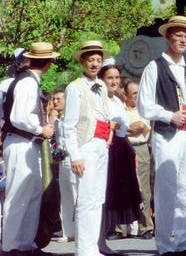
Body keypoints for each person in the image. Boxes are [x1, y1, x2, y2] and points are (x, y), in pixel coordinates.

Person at [137, 15, 186, 256]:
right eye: (177, 34)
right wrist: (170, 115)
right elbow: (144, 105)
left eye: (185, 35)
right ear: (167, 37)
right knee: (167, 188)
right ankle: (165, 245)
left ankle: (183, 242)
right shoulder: (154, 67)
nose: (182, 39)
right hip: (167, 134)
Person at [2, 42, 59, 255]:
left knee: (32, 193)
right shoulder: (27, 83)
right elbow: (19, 117)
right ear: (49, 63)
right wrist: (40, 128)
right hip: (20, 141)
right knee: (18, 194)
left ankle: (25, 245)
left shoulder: (30, 81)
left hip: (28, 143)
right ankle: (11, 246)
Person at [63, 40, 112, 256]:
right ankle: (83, 250)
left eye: (98, 60)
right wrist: (75, 155)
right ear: (83, 61)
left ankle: (93, 247)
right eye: (90, 60)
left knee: (97, 198)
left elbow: (105, 114)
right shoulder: (75, 87)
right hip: (86, 145)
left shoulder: (101, 86)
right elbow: (69, 125)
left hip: (102, 145)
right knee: (84, 199)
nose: (94, 64)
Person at [97, 59, 141, 252]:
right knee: (103, 196)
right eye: (110, 77)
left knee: (114, 197)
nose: (114, 81)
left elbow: (124, 129)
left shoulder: (117, 100)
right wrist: (109, 126)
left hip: (120, 149)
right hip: (107, 149)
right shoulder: (99, 98)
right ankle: (97, 241)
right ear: (102, 79)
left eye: (116, 77)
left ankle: (102, 241)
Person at [122, 80, 155, 239]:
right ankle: (119, 228)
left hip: (141, 149)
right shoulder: (118, 108)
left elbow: (141, 127)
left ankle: (146, 227)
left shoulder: (144, 109)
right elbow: (113, 127)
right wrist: (127, 128)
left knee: (144, 189)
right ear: (125, 94)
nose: (138, 96)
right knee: (120, 188)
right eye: (134, 94)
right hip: (122, 148)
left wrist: (123, 128)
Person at [52, 88, 75, 243]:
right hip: (61, 160)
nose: (55, 102)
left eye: (59, 99)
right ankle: (69, 232)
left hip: (72, 159)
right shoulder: (57, 120)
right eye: (54, 99)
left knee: (75, 194)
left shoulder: (71, 118)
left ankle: (81, 231)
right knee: (65, 195)